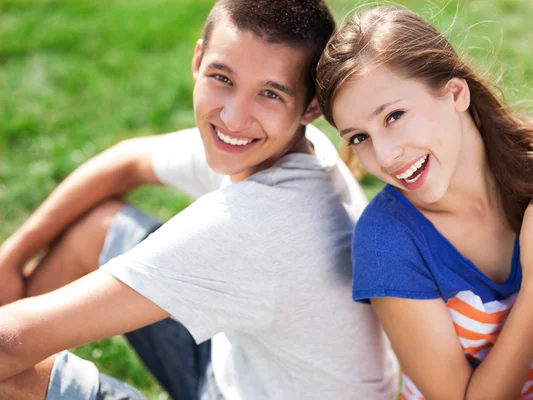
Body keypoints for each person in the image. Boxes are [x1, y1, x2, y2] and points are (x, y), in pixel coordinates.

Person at [0, 1, 400, 399]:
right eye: (222, 78)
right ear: (198, 60)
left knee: (13, 375)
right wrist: (11, 258)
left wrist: (23, 345)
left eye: (270, 94)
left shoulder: (259, 225)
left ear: (311, 106)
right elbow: (127, 162)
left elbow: (8, 342)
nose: (233, 118)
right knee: (97, 229)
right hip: (237, 370)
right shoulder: (285, 143)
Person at [316, 5, 533, 400]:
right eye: (359, 138)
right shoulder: (388, 244)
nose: (384, 156)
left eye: (394, 116)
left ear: (455, 93)